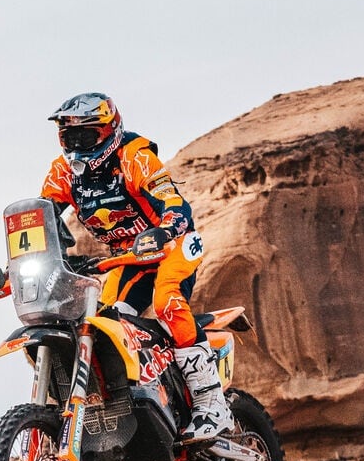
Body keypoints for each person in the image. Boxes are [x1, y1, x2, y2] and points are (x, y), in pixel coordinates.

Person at [40, 92, 233, 441]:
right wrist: (25, 258)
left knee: (167, 302)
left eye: (86, 136)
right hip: (128, 257)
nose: (77, 145)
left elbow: (173, 200)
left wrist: (168, 225)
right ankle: (141, 395)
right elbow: (43, 219)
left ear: (108, 130)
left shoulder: (135, 157)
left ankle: (211, 403)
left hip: (173, 246)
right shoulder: (62, 173)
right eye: (70, 137)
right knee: (110, 319)